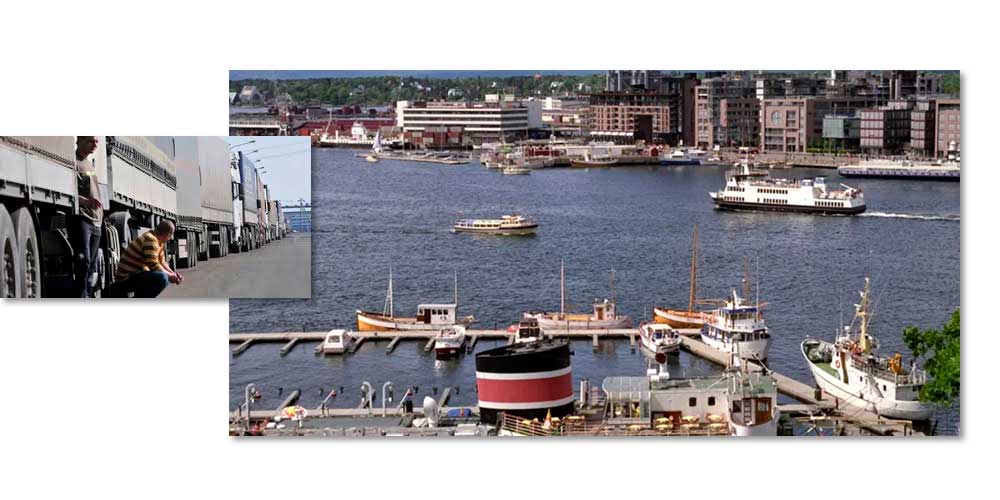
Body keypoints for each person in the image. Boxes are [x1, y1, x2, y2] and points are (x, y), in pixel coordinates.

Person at [104, 220, 183, 298]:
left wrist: (173, 274)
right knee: (163, 278)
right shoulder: (151, 239)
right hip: (125, 278)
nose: (170, 239)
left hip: (135, 274)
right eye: (170, 236)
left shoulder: (158, 241)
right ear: (168, 234)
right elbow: (153, 265)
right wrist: (170, 276)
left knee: (165, 276)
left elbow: (162, 261)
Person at [74, 136, 104, 298]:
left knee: (92, 263)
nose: (95, 145)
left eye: (97, 142)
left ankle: (87, 296)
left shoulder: (89, 164)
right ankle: (81, 297)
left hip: (96, 220)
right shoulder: (73, 162)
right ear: (80, 140)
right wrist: (85, 202)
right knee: (83, 261)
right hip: (83, 217)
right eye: (91, 141)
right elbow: (69, 191)